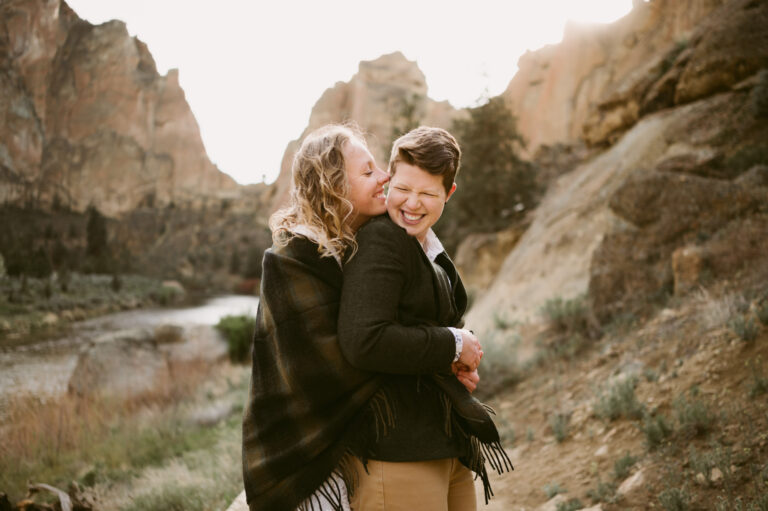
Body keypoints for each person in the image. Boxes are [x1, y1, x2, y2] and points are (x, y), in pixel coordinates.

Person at [338, 126, 513, 511]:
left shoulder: (426, 245)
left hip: (443, 441)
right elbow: (364, 339)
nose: (412, 204)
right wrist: (454, 343)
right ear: (389, 178)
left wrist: (451, 364)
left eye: (428, 193)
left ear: (448, 194)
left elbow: (415, 325)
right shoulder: (383, 239)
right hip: (397, 451)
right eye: (403, 189)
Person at [241, 123, 393, 511]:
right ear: (334, 186)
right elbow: (333, 364)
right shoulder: (289, 260)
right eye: (369, 171)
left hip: (352, 450)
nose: (385, 177)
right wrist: (436, 356)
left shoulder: (361, 249)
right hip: (299, 460)